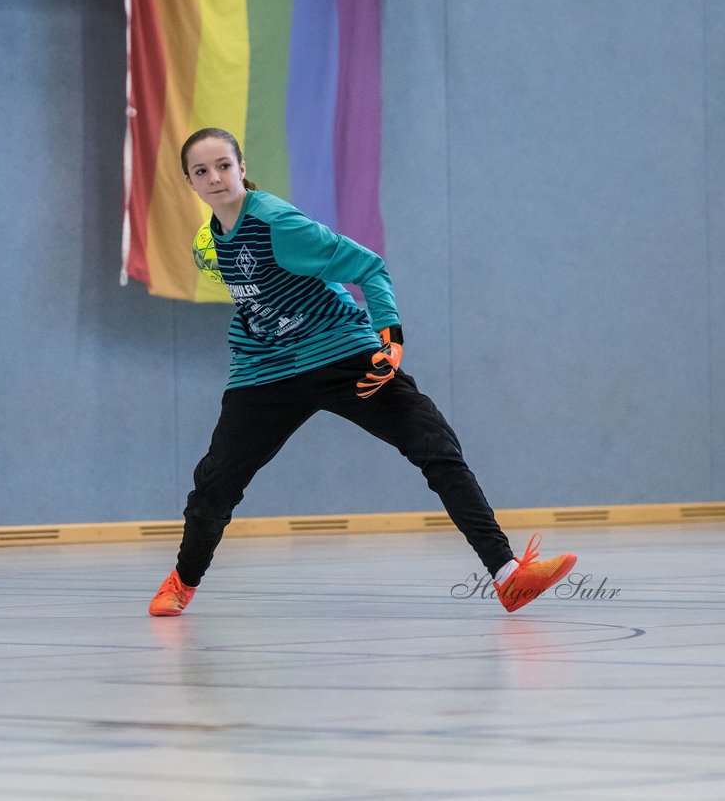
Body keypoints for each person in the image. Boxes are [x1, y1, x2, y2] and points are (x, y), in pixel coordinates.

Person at [149, 127, 576, 617]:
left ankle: (507, 575)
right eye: (201, 171)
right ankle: (181, 582)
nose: (215, 177)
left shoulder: (278, 223)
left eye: (224, 165)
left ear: (242, 168)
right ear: (189, 184)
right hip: (265, 369)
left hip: (339, 353)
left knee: (433, 444)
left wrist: (390, 337)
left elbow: (368, 266)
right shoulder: (212, 240)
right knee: (215, 483)